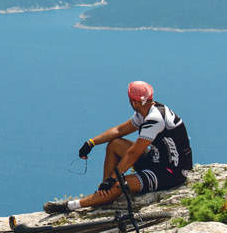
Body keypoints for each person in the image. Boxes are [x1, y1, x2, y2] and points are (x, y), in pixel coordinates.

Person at [45, 81, 193, 214]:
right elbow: (119, 131)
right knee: (115, 145)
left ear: (133, 102)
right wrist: (91, 142)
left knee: (119, 185)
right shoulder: (145, 110)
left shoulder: (154, 119)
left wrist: (113, 178)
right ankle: (103, 194)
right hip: (156, 159)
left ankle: (70, 206)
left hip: (171, 172)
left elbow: (134, 153)